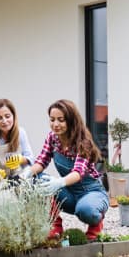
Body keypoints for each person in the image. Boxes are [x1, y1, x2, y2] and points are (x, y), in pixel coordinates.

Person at [29, 99, 109, 241]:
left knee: (85, 211)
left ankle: (96, 224)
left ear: (71, 120)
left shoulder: (83, 141)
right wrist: (27, 173)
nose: (55, 124)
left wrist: (58, 182)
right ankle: (55, 226)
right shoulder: (52, 138)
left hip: (91, 192)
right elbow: (41, 161)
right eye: (52, 119)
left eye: (61, 120)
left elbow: (78, 172)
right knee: (37, 180)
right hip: (69, 193)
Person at [0, 99, 34, 181]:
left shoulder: (21, 133)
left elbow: (30, 158)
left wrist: (21, 159)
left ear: (13, 116)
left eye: (7, 116)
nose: (4, 121)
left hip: (17, 177)